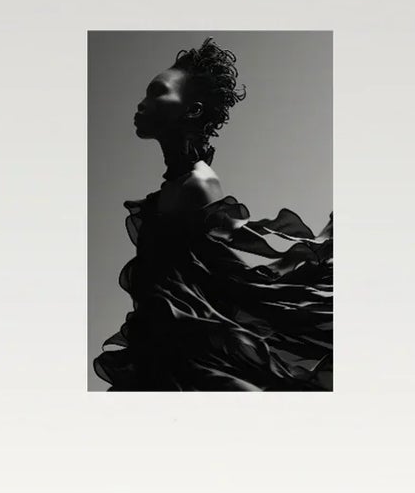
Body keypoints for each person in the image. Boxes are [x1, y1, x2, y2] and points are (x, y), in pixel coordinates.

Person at [94, 38, 333, 392]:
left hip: (186, 348)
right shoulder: (175, 186)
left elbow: (232, 269)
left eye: (156, 93)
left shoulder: (198, 186)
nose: (141, 104)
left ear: (192, 111)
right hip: (163, 342)